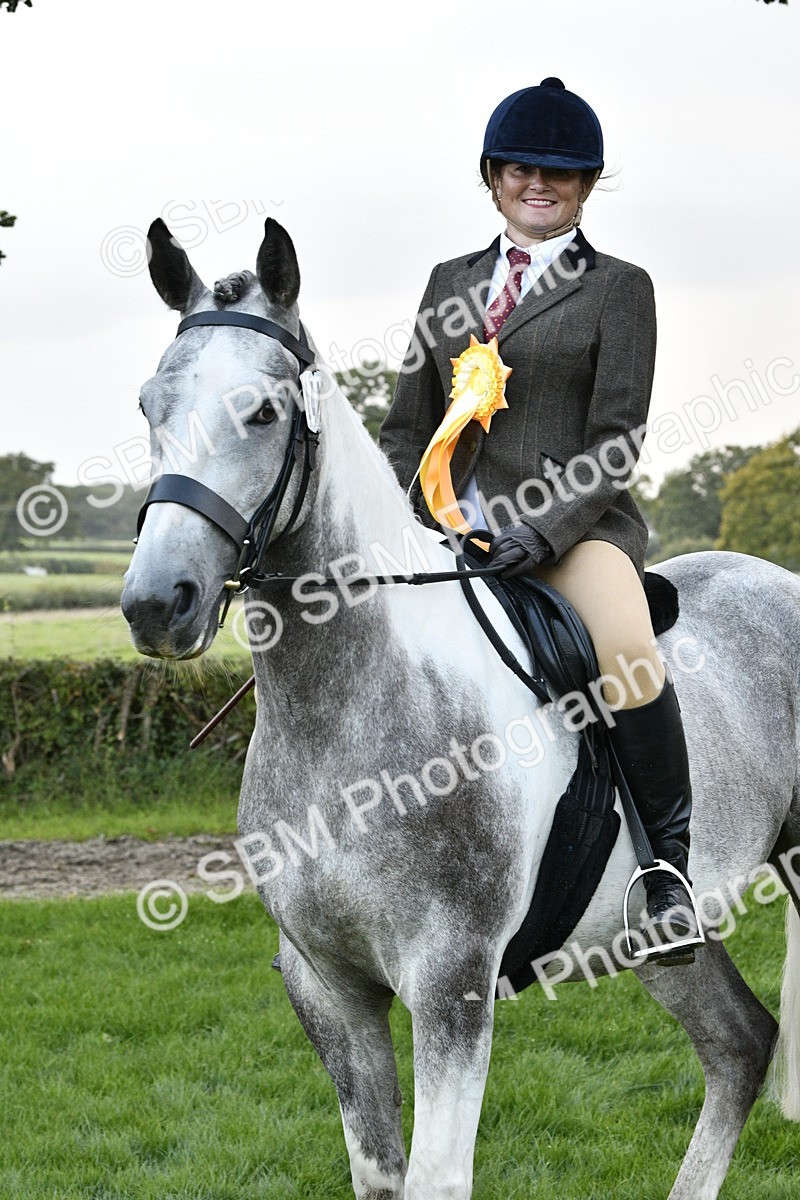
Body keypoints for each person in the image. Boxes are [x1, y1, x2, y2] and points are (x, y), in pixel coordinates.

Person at [379, 77, 701, 963]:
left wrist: (546, 532)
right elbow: (409, 423)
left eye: (562, 173)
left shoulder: (619, 289)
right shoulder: (449, 283)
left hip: (572, 530)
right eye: (523, 168)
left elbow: (616, 439)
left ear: (587, 185)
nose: (540, 184)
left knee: (627, 651)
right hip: (450, 531)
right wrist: (420, 519)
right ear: (491, 175)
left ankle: (666, 873)